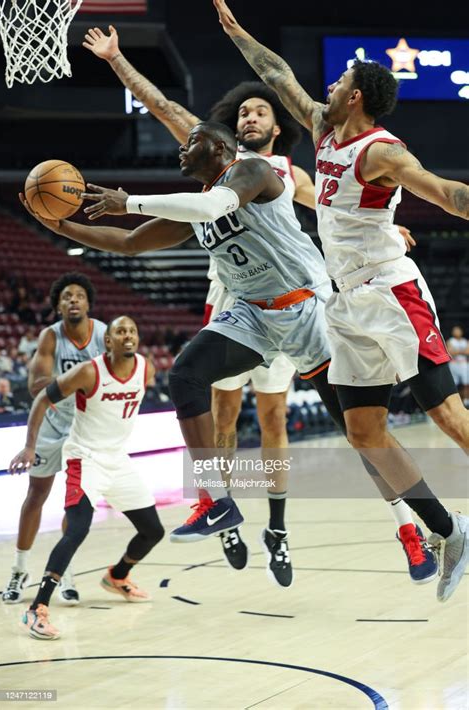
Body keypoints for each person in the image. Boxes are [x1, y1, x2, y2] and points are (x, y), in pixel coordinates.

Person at [21, 120, 437, 590]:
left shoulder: (254, 171)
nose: (181, 150)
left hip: (305, 308)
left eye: (190, 143)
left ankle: (410, 527)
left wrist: (128, 202)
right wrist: (58, 224)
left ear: (220, 147)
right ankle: (217, 500)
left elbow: (216, 203)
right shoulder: (196, 206)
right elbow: (131, 242)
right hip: (252, 315)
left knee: (360, 434)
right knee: (186, 376)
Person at [82, 26, 421, 579]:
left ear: (276, 124)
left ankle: (322, 525)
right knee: (215, 407)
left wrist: (390, 228)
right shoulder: (212, 155)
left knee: (286, 421)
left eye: (262, 111)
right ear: (227, 129)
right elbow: (162, 104)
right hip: (240, 302)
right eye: (243, 113)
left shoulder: (283, 171)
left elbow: (344, 210)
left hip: (302, 302)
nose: (251, 117)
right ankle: (220, 509)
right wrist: (118, 58)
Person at [212, 0, 469, 602]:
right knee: (363, 430)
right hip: (345, 302)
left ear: (356, 97)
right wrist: (237, 32)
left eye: (340, 81)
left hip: (390, 291)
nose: (329, 85)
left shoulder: (381, 151)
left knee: (447, 416)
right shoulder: (326, 132)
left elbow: (446, 192)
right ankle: (451, 531)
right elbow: (278, 75)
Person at [9, 315, 163, 640]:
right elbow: (42, 398)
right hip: (85, 458)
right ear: (108, 341)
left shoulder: (146, 368)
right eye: (120, 331)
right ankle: (36, 609)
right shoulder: (89, 371)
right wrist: (28, 446)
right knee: (77, 528)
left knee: (153, 531)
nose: (127, 336)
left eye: (132, 330)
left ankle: (117, 576)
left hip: (118, 460)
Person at [2, 273, 106, 605]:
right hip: (51, 426)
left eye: (78, 295)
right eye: (66, 296)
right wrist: (80, 380)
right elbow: (35, 388)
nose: (73, 300)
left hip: (87, 430)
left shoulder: (104, 334)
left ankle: (65, 572)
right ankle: (19, 570)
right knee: (36, 495)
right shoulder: (50, 337)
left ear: (88, 303)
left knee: (74, 503)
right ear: (58, 305)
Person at [446, 326, 469, 405]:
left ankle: (466, 400)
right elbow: (450, 352)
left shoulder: (465, 341)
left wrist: (456, 351)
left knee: (466, 383)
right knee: (454, 384)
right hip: (454, 364)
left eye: (458, 330)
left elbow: (467, 352)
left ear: (461, 332)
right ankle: (457, 401)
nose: (457, 332)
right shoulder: (450, 341)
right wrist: (462, 351)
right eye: (455, 330)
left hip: (463, 364)